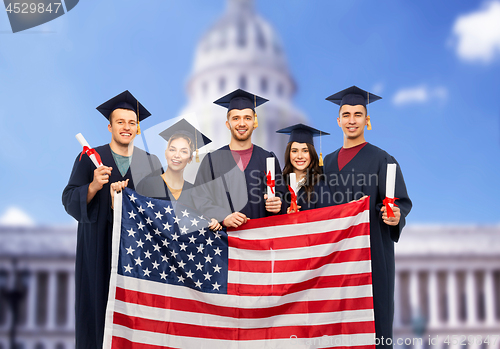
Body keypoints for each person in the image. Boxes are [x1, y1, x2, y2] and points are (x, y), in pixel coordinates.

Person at [62, 90, 162, 349]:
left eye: (132, 123)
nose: (126, 128)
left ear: (138, 129)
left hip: (138, 252)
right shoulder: (90, 158)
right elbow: (69, 199)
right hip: (98, 247)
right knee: (98, 310)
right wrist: (95, 186)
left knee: (137, 315)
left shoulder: (150, 163)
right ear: (109, 126)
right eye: (120, 122)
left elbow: (163, 208)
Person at [323, 86, 412, 348]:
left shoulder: (383, 160)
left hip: (371, 256)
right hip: (333, 258)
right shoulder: (325, 163)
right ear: (338, 120)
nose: (352, 120)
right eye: (346, 114)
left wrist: (395, 216)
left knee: (373, 323)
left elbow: (399, 203)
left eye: (358, 114)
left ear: (367, 120)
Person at [194, 89, 285, 228]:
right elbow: (198, 199)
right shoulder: (212, 161)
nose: (242, 123)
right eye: (236, 118)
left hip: (260, 242)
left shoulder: (268, 159)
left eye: (247, 118)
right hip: (224, 242)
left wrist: (279, 205)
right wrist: (222, 217)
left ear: (254, 122)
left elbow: (284, 199)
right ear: (227, 124)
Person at [133, 118, 221, 230]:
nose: (176, 155)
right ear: (166, 153)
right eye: (172, 149)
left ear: (190, 158)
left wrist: (212, 223)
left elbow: (199, 223)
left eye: (184, 151)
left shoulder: (195, 192)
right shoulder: (147, 185)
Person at [276, 123, 332, 212]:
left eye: (305, 151)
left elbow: (327, 217)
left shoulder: (320, 186)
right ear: (288, 154)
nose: (299, 156)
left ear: (311, 154)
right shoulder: (280, 184)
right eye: (294, 151)